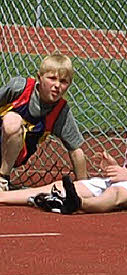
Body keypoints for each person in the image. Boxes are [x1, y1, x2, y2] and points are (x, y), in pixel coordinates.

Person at [0, 73, 127, 213]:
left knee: (116, 193)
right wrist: (115, 167)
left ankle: (78, 203)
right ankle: (4, 196)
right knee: (66, 186)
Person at [0, 53, 88, 192]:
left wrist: (84, 187)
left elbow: (76, 150)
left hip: (13, 153)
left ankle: (2, 179)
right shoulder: (19, 88)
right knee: (12, 119)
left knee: (14, 122)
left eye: (64, 81)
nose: (57, 85)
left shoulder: (61, 112)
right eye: (52, 78)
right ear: (39, 77)